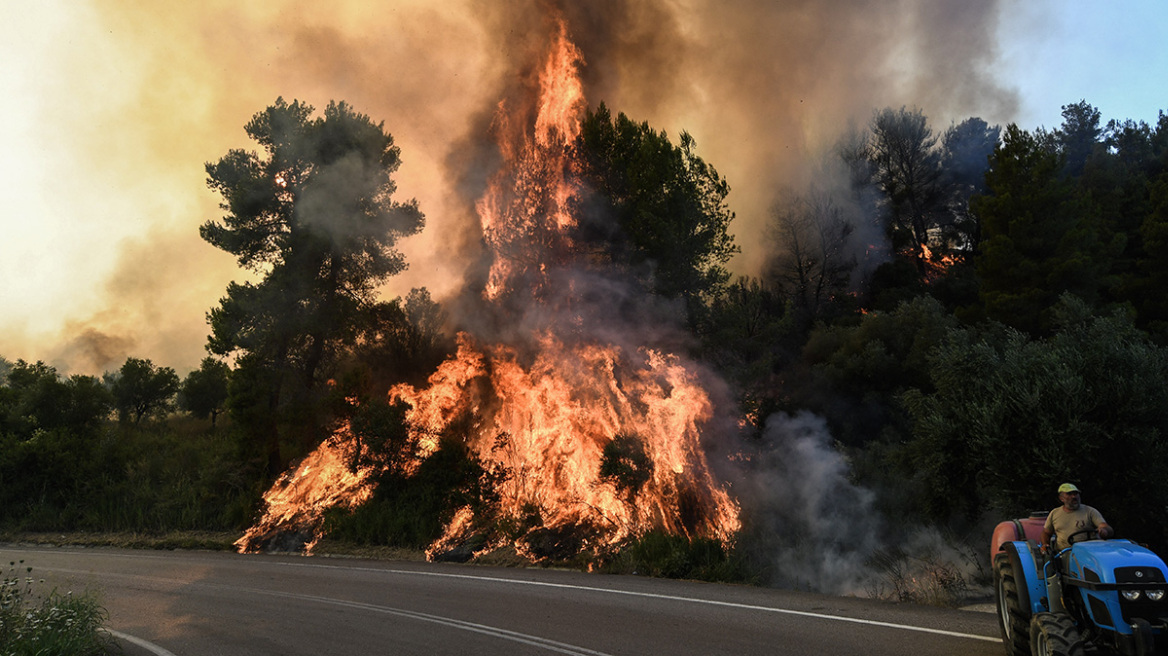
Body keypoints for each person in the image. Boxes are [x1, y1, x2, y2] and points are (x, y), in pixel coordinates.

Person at [1042, 482, 1113, 552]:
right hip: (1065, 553)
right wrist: (1045, 545)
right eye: (1069, 494)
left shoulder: (1090, 511)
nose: (1074, 497)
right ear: (1061, 498)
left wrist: (1104, 530)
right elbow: (1046, 533)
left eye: (1076, 494)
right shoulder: (1054, 513)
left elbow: (1104, 526)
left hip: (1088, 551)